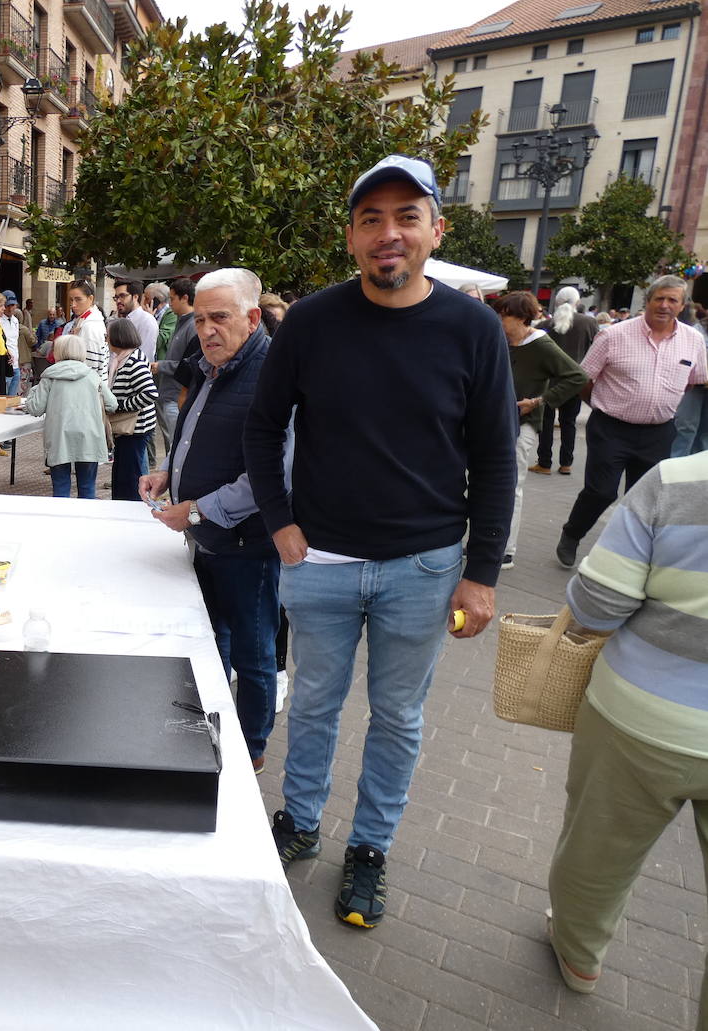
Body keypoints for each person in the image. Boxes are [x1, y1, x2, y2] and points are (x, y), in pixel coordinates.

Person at [244, 154, 516, 929]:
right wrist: (279, 520)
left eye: (406, 216)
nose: (387, 234)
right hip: (319, 563)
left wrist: (482, 572)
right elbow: (264, 431)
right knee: (317, 705)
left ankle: (370, 847)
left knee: (398, 717)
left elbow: (497, 456)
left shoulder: (472, 331)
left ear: (437, 228)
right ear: (353, 235)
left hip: (423, 569)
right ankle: (298, 821)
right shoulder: (312, 324)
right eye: (371, 219)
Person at [546, 451, 708, 1017]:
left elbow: (599, 605)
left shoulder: (675, 482)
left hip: (642, 717)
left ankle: (579, 957)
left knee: (597, 853)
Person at [139, 267, 286, 779]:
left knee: (252, 650)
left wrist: (197, 508)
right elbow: (193, 437)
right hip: (204, 539)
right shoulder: (210, 367)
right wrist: (166, 474)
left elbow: (273, 475)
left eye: (219, 318)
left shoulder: (273, 374)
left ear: (251, 317)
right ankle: (208, 729)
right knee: (211, 640)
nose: (206, 329)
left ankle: (251, 749)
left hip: (248, 546)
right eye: (200, 319)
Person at [556, 275, 708, 568]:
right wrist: (602, 405)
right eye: (659, 298)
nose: (664, 305)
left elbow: (693, 382)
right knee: (601, 491)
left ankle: (624, 556)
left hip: (659, 432)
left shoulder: (693, 341)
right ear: (648, 300)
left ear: (682, 305)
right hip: (611, 427)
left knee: (644, 500)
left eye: (672, 300)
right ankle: (572, 533)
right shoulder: (613, 335)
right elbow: (583, 378)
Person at [494, 291, 587, 569]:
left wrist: (539, 401)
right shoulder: (503, 341)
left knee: (511, 486)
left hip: (522, 425)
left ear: (522, 317)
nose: (499, 319)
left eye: (504, 314)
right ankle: (486, 541)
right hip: (496, 423)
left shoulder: (540, 344)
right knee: (487, 485)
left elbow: (577, 376)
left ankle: (505, 549)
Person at [22, 334, 116, 499]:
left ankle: (62, 522)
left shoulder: (49, 377)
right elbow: (112, 404)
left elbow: (35, 408)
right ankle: (86, 522)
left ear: (58, 352)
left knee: (61, 489)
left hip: (59, 439)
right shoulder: (92, 376)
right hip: (90, 437)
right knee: (87, 489)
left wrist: (33, 390)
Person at [531, 285, 599, 475]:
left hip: (548, 382)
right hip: (576, 383)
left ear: (557, 302)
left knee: (546, 423)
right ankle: (566, 463)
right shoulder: (589, 324)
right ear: (578, 302)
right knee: (569, 423)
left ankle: (544, 463)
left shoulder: (545, 326)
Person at [106, 319, 158, 501]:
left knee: (130, 476)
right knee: (124, 473)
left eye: (109, 335)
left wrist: (121, 406)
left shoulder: (133, 361)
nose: (106, 338)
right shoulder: (124, 358)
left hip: (136, 427)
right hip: (131, 428)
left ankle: (132, 507)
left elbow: (150, 393)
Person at [150, 277, 200, 453]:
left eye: (172, 299)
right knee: (173, 447)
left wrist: (162, 366)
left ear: (184, 298)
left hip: (178, 397)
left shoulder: (193, 325)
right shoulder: (182, 322)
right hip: (170, 395)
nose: (169, 304)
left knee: (177, 448)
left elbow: (193, 363)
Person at [64, 281, 110, 376]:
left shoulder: (90, 326)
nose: (73, 305)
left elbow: (90, 368)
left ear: (90, 298)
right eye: (71, 300)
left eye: (78, 299)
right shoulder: (87, 320)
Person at [114, 278, 158, 361]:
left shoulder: (146, 321)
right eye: (116, 297)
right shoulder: (118, 319)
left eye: (122, 296)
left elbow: (145, 356)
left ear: (135, 297)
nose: (118, 301)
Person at [0, 291, 22, 396]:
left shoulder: (15, 320)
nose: (9, 308)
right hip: (4, 366)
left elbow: (15, 342)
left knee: (12, 399)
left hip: (16, 365)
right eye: (7, 305)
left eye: (12, 305)